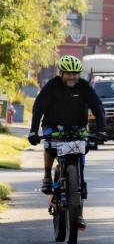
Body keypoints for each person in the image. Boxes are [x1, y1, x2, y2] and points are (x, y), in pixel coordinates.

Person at [29, 56, 107, 206]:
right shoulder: (52, 86)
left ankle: (79, 191)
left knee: (81, 151)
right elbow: (38, 107)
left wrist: (102, 129)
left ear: (79, 74)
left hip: (77, 127)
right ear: (61, 73)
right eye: (68, 74)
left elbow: (97, 107)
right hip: (52, 125)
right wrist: (33, 130)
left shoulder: (84, 86)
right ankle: (47, 176)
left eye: (75, 74)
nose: (72, 77)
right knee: (50, 148)